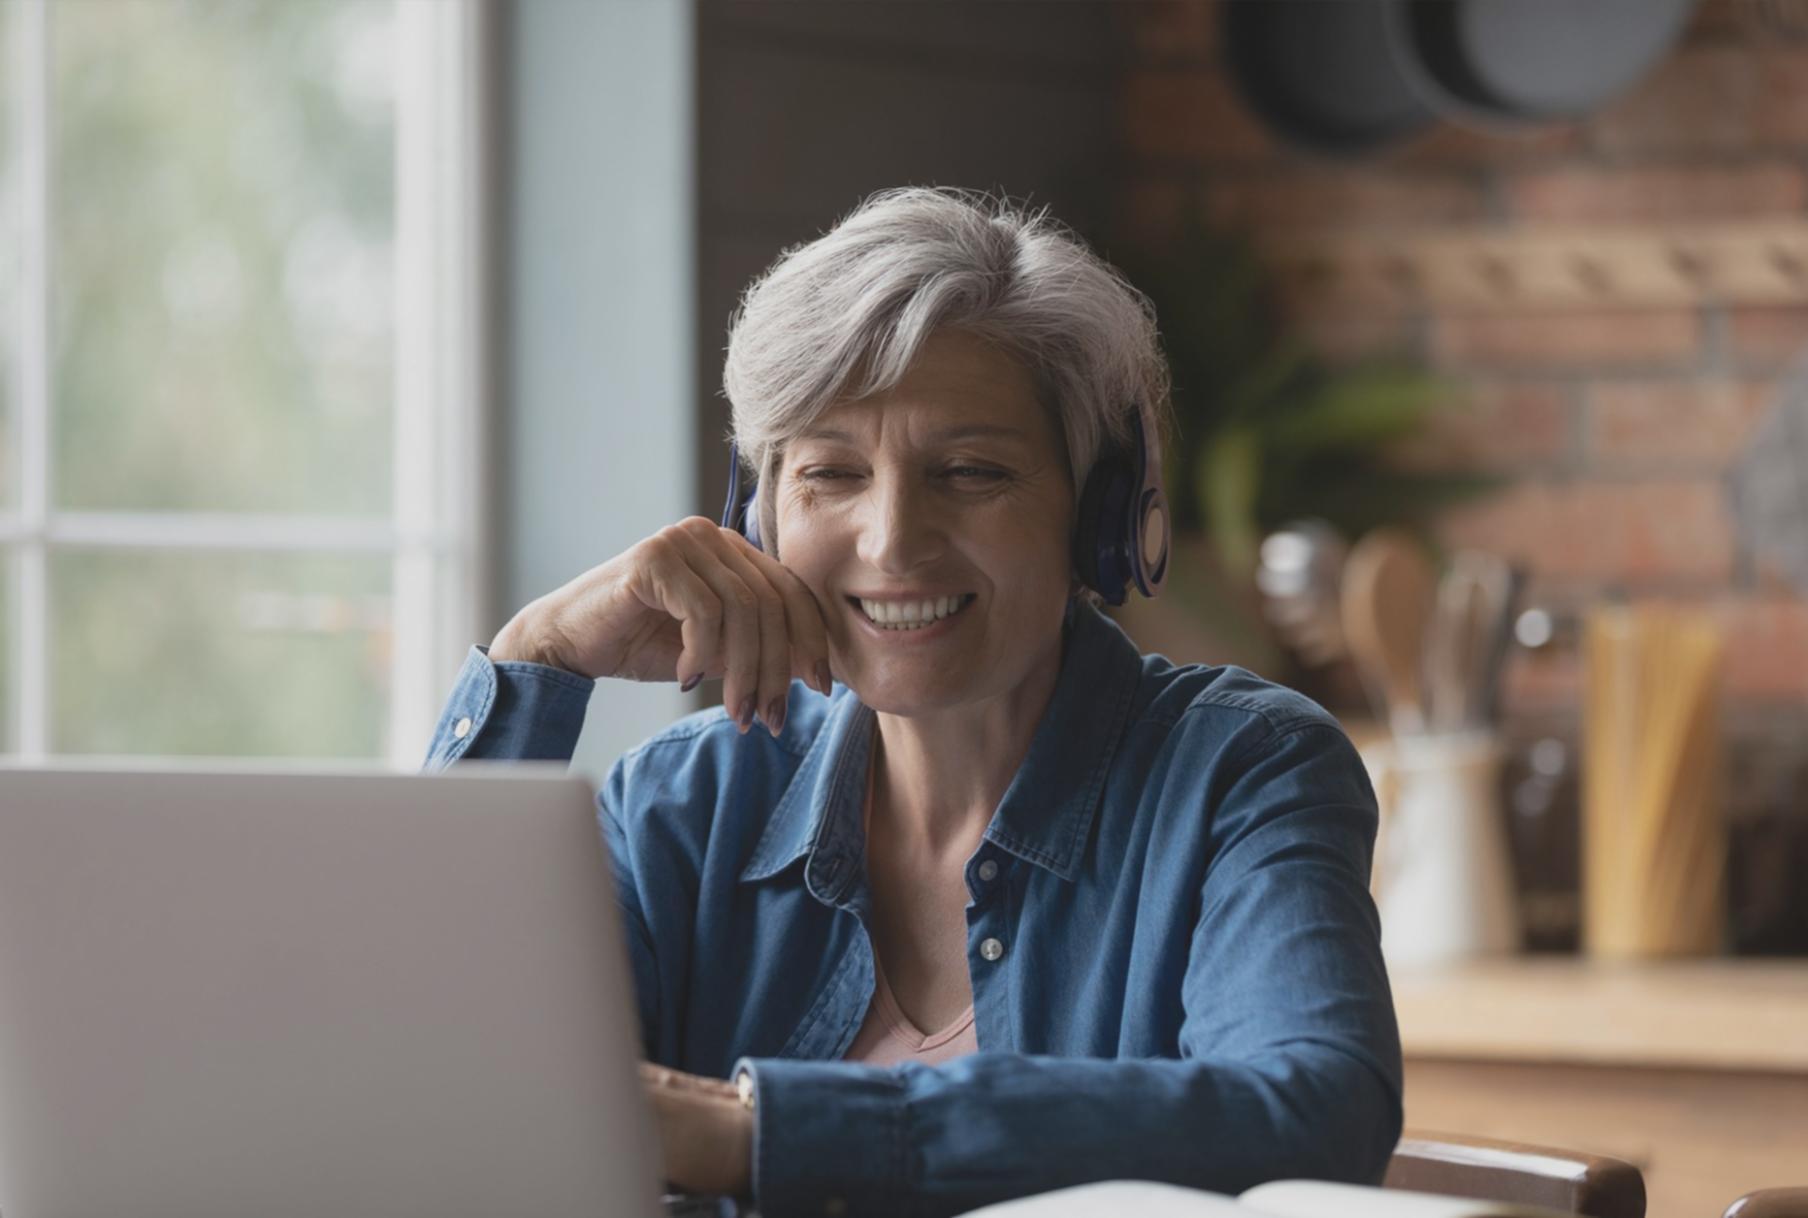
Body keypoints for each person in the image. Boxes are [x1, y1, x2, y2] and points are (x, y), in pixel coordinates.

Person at [424, 186, 1402, 1218]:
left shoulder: (1241, 770)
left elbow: (1312, 1113)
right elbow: (427, 1093)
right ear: (754, 521)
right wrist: (537, 662)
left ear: (1100, 519)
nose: (892, 540)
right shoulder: (682, 803)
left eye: (971, 472)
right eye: (830, 474)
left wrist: (763, 1134)